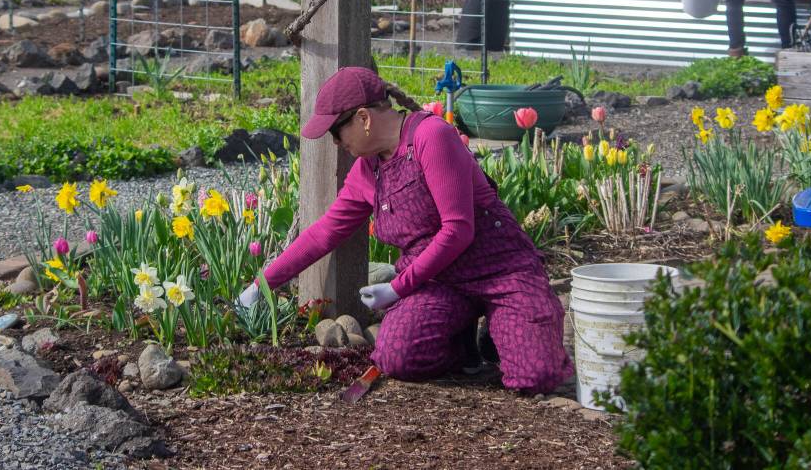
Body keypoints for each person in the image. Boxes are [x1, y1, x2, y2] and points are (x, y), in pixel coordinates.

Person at [237, 67, 573, 394]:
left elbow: (458, 230)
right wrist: (261, 284)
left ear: (363, 118)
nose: (336, 142)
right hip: (440, 283)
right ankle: (462, 340)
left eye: (335, 132)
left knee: (535, 376)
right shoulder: (368, 170)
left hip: (500, 271)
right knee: (397, 356)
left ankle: (504, 329)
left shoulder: (431, 137)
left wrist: (398, 288)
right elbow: (323, 233)